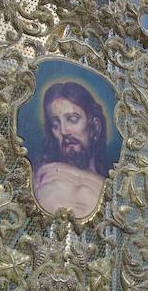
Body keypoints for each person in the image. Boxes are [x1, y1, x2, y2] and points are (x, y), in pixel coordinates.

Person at [32, 81, 112, 216]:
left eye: (72, 119)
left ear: (95, 126)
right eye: (55, 123)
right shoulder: (41, 172)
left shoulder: (111, 183)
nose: (63, 131)